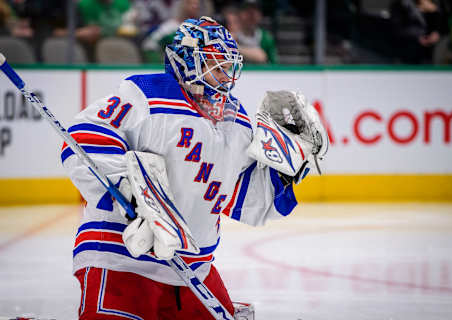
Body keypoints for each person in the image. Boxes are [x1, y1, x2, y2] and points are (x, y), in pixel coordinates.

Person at [62, 16, 327, 319]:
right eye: (215, 63)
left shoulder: (236, 121)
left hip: (193, 271)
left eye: (228, 65)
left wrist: (285, 173)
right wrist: (131, 197)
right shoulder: (146, 95)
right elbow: (86, 136)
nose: (225, 74)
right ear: (186, 62)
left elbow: (241, 198)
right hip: (122, 258)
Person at [230, 0, 278, 64]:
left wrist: (235, 48)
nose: (251, 14)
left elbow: (267, 60)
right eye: (247, 10)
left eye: (255, 10)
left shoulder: (266, 37)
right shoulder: (231, 36)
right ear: (239, 14)